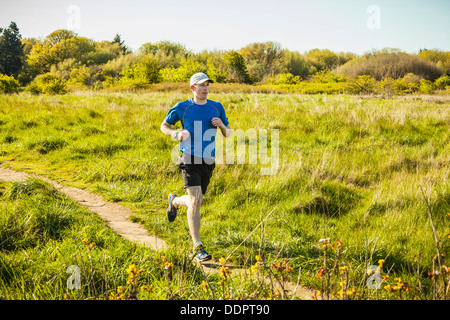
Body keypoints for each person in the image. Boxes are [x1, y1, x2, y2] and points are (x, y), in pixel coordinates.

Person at [160, 72, 231, 262]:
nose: (205, 88)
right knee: (196, 201)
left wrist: (221, 126)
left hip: (208, 161)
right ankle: (197, 246)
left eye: (207, 85)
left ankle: (174, 201)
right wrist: (175, 134)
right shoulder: (182, 107)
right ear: (193, 88)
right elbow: (164, 125)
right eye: (201, 85)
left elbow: (228, 132)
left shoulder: (216, 107)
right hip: (188, 158)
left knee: (195, 201)